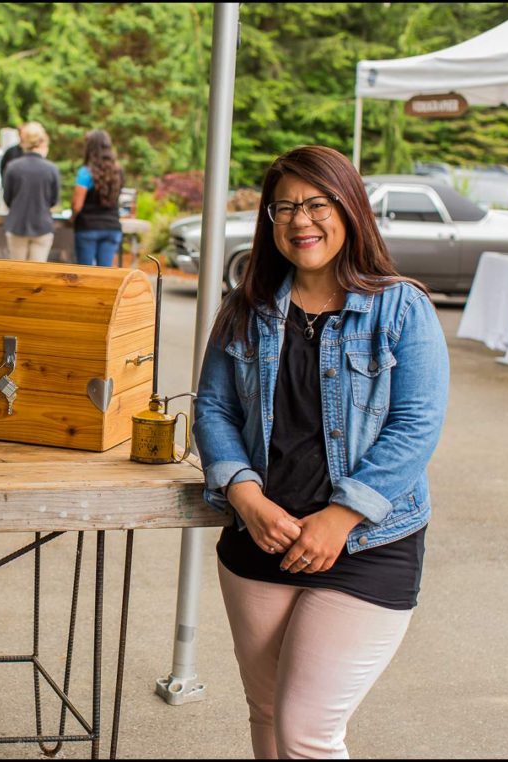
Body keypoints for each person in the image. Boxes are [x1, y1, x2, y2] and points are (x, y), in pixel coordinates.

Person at [192, 145, 449, 759]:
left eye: (316, 204)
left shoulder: (400, 306)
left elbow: (417, 425)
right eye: (284, 208)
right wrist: (245, 496)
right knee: (268, 712)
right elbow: (214, 409)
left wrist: (343, 515)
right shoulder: (246, 309)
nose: (300, 221)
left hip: (366, 546)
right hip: (260, 538)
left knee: (307, 732)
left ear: (348, 207)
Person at [2, 122, 60, 262]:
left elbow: (7, 198)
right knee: (36, 274)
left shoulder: (12, 167)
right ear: (43, 143)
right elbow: (53, 200)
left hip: (17, 225)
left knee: (17, 273)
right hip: (42, 226)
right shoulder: (51, 169)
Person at [71, 129, 124, 267]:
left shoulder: (85, 172)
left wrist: (72, 217)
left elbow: (77, 205)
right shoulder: (118, 171)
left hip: (87, 228)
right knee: (104, 275)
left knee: (85, 275)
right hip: (112, 227)